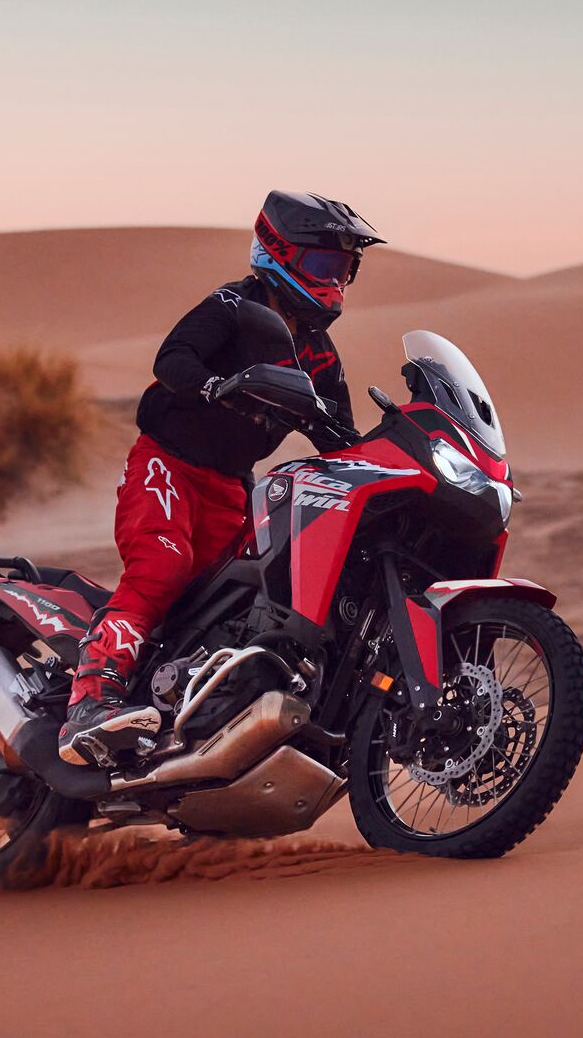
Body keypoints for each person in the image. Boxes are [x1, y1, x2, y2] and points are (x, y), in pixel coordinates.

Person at [58, 190, 383, 766]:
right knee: (163, 566)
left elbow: (341, 437)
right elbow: (173, 359)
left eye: (345, 268)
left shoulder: (320, 354)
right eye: (325, 264)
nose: (336, 279)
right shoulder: (233, 305)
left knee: (245, 596)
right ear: (280, 252)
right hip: (168, 464)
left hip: (234, 488)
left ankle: (202, 713)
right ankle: (90, 702)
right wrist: (216, 387)